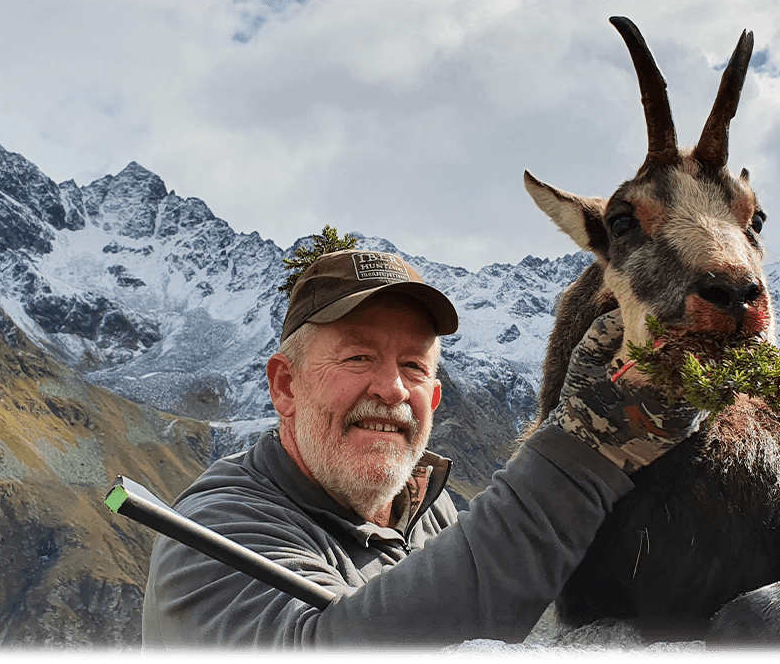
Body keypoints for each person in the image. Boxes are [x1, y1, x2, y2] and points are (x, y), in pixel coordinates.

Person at [141, 249, 701, 653]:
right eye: (358, 358)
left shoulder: (429, 507)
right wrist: (583, 455)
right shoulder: (214, 532)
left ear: (433, 395)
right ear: (286, 386)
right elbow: (320, 649)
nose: (392, 389)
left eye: (413, 366)